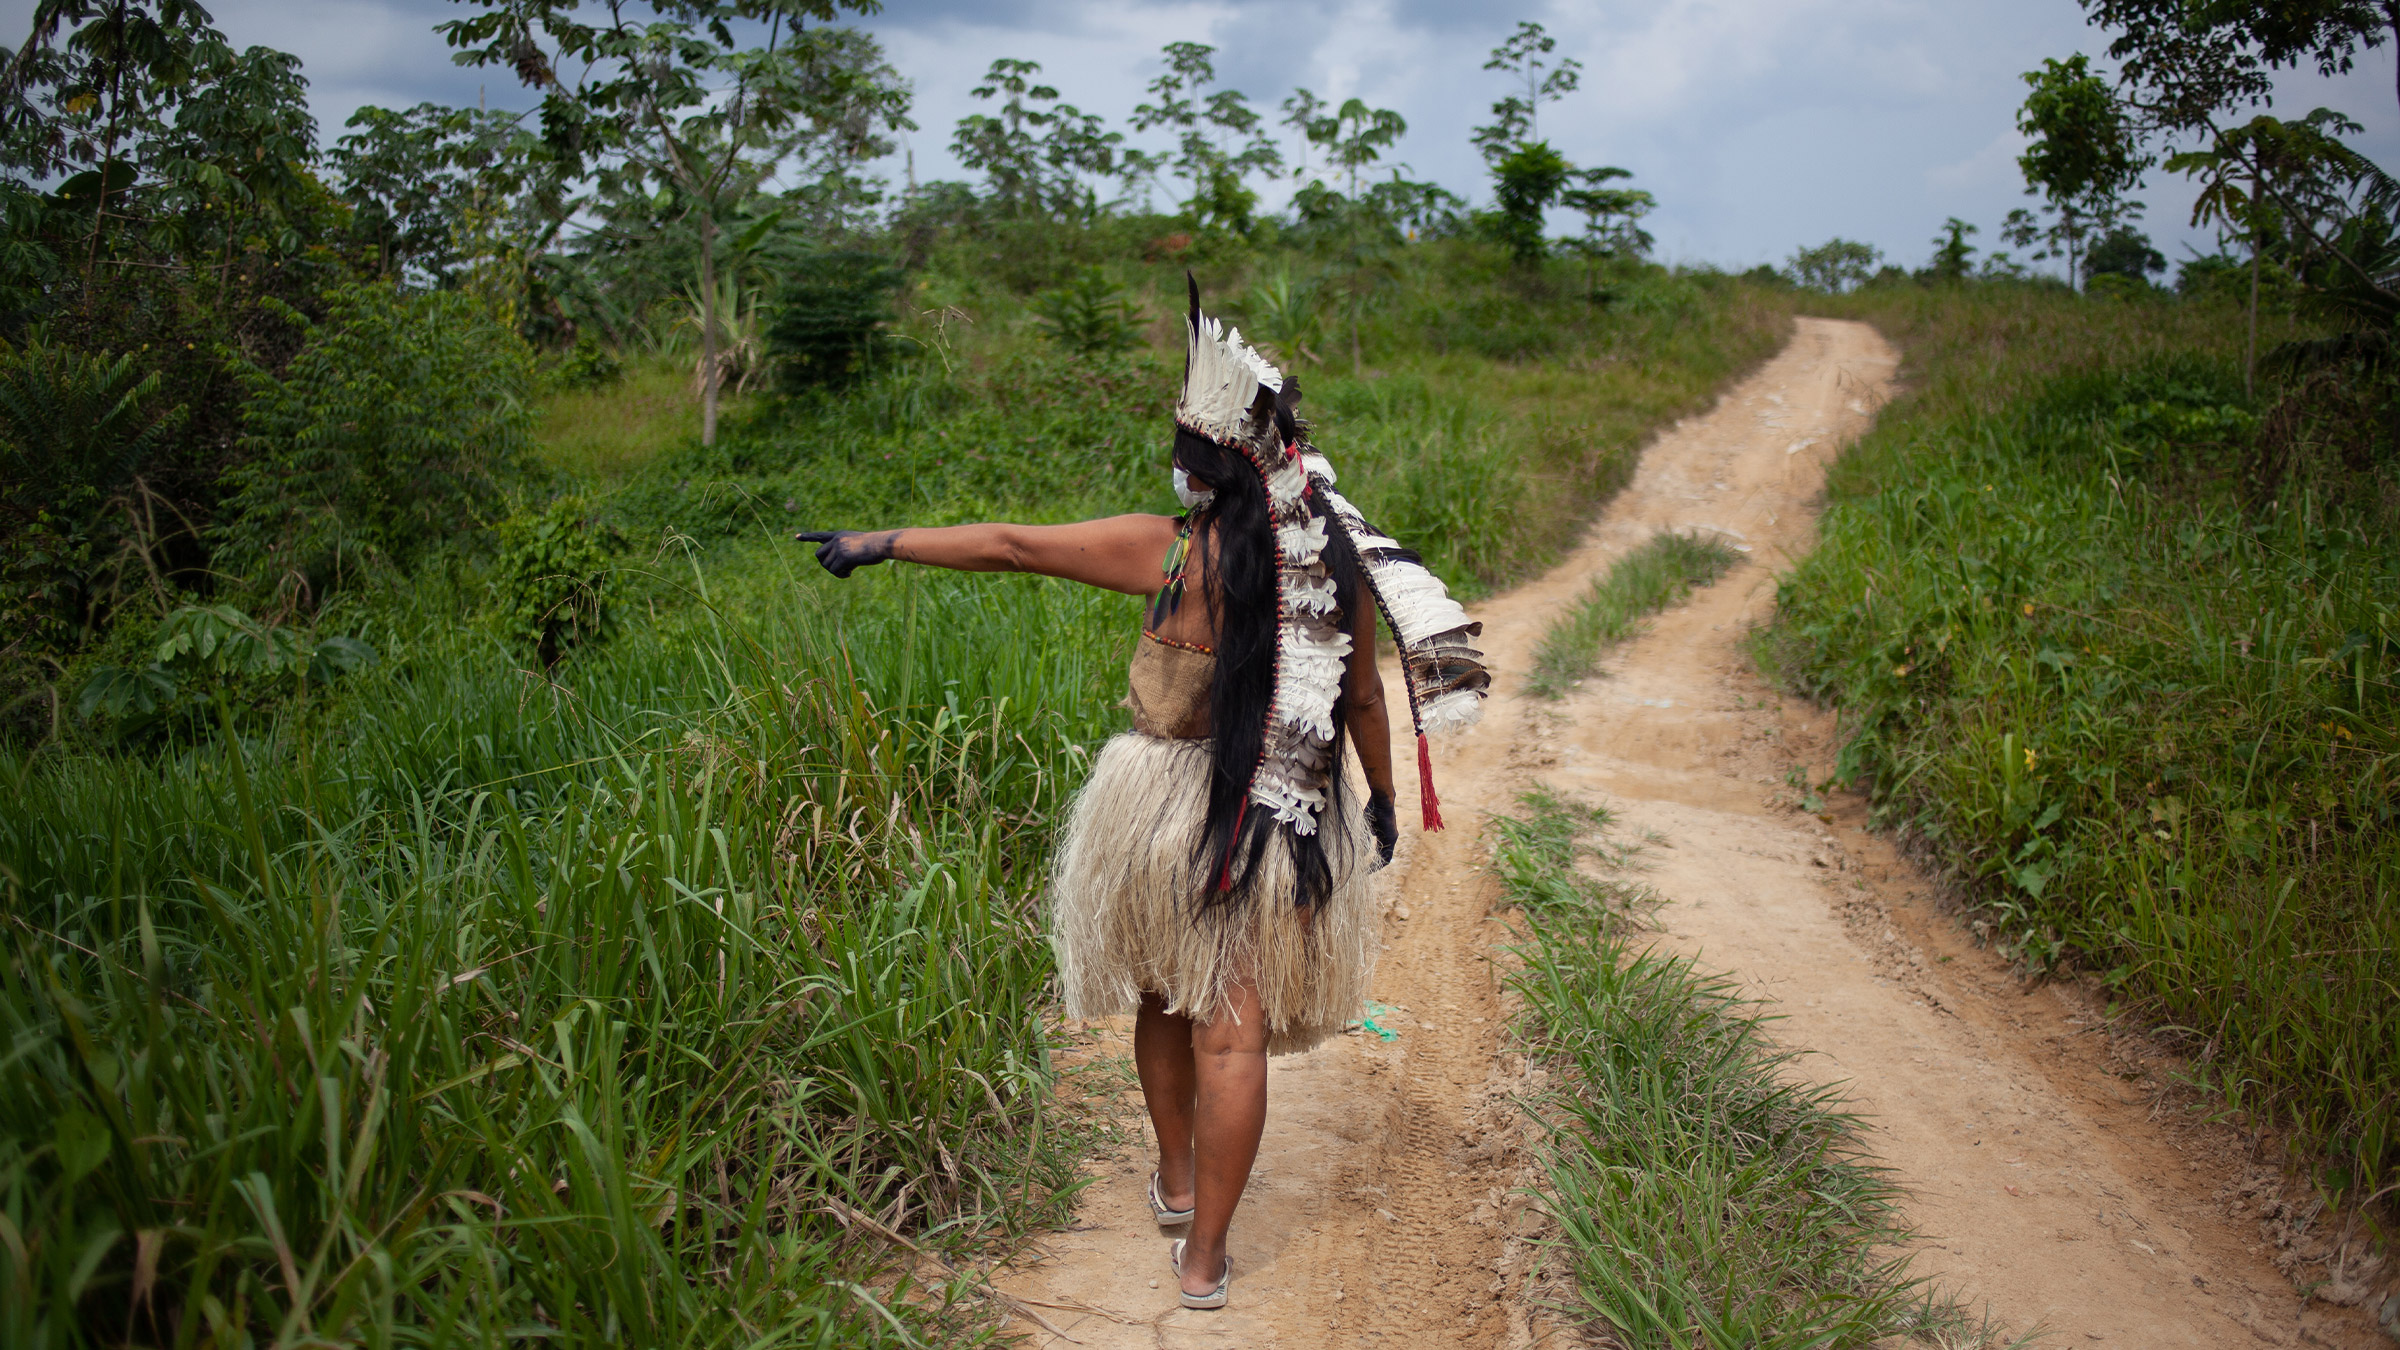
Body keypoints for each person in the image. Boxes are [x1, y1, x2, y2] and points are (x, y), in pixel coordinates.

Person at [798, 280, 1487, 1311]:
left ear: (1207, 468)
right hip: (1276, 818)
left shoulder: (1171, 552)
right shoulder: (1332, 567)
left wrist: (879, 542)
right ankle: (1205, 1258)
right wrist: (1382, 801)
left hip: (1160, 816)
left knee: (1168, 995)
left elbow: (1014, 544)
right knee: (1235, 1028)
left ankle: (1173, 1177)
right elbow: (1360, 702)